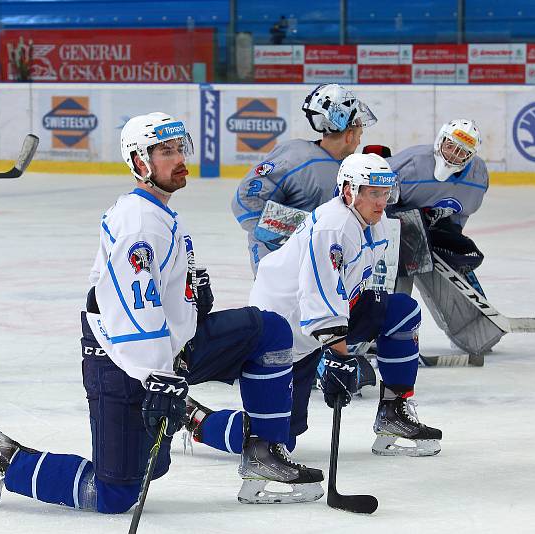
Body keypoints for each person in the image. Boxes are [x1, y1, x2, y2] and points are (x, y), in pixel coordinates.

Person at [0, 112, 326, 512]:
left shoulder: (159, 212)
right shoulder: (140, 223)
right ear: (140, 163)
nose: (179, 159)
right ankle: (5, 456)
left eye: (180, 148)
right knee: (116, 493)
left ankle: (260, 449)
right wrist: (160, 380)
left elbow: (161, 295)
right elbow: (132, 314)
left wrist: (192, 297)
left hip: (170, 348)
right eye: (165, 152)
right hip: (122, 359)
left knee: (270, 330)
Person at [187, 153, 442, 458]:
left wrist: (343, 346)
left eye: (385, 193)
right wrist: (339, 355)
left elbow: (345, 290)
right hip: (284, 329)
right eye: (373, 193)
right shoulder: (333, 228)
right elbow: (319, 297)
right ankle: (188, 416)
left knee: (400, 312)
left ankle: (393, 413)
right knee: (272, 439)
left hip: (323, 321)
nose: (381, 202)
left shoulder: (377, 224)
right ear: (349, 191)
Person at [231, 83, 377, 275]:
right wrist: (304, 235)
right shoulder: (295, 157)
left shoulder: (349, 168)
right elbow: (246, 203)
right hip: (281, 270)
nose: (359, 141)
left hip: (322, 269)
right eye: (359, 134)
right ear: (349, 135)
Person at [385, 120, 492, 355]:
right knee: (397, 279)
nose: (454, 155)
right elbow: (374, 199)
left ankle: (473, 328)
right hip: (396, 231)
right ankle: (385, 332)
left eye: (463, 152)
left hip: (433, 231)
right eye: (451, 146)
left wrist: (447, 238)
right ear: (440, 141)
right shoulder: (409, 165)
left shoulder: (477, 176)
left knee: (454, 260)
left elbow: (459, 215)